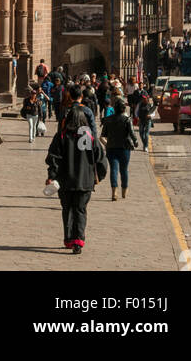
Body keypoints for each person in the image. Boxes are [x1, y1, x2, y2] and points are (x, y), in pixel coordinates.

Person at [45, 86, 107, 255]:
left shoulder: (62, 137)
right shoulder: (90, 138)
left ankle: (68, 238)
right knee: (80, 209)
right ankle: (78, 240)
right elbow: (101, 159)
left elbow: (54, 158)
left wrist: (51, 176)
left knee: (67, 210)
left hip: (65, 180)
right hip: (84, 180)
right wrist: (97, 177)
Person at [101, 96, 139, 200]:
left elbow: (102, 136)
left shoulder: (108, 120)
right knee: (124, 170)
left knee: (114, 169)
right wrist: (135, 142)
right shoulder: (127, 120)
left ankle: (114, 192)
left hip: (111, 148)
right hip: (124, 148)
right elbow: (132, 134)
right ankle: (124, 190)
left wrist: (106, 144)